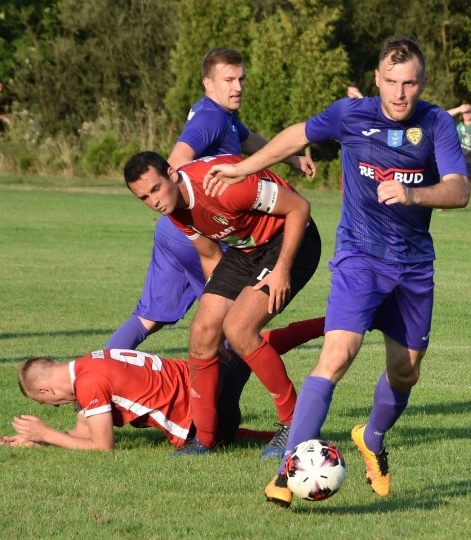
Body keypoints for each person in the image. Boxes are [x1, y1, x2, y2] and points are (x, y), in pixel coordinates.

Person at [204, 36, 470, 508]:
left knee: (405, 372)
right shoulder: (351, 115)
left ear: (422, 83)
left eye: (409, 83)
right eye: (391, 82)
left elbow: (458, 190)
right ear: (377, 80)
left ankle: (373, 437)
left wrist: (413, 195)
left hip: (412, 267)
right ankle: (288, 471)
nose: (400, 93)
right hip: (359, 259)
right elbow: (298, 134)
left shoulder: (436, 125)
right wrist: (245, 167)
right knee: (338, 355)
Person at [107, 48, 315, 353]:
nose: (238, 87)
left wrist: (292, 158)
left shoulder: (223, 116)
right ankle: (217, 391)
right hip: (196, 228)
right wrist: (180, 201)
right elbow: (176, 163)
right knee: (232, 323)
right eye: (229, 79)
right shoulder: (209, 119)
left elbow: (247, 139)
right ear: (208, 83)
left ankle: (95, 375)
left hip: (173, 230)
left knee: (149, 317)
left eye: (241, 78)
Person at [124, 152, 321, 457]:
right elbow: (210, 256)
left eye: (155, 189)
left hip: (291, 240)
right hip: (246, 250)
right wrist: (212, 308)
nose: (154, 201)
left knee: (240, 330)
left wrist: (282, 269)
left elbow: (299, 208)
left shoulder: (222, 186)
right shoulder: (175, 208)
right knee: (202, 333)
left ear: (172, 174)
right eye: (144, 198)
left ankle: (296, 427)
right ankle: (206, 438)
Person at [0, 319, 324, 451]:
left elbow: (102, 446)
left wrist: (46, 434)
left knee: (246, 348)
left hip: (201, 419)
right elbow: (84, 430)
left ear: (46, 391)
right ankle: (331, 323)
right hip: (205, 379)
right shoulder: (91, 362)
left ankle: (290, 433)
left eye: (45, 404)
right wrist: (41, 441)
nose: (53, 407)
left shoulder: (88, 384)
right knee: (248, 344)